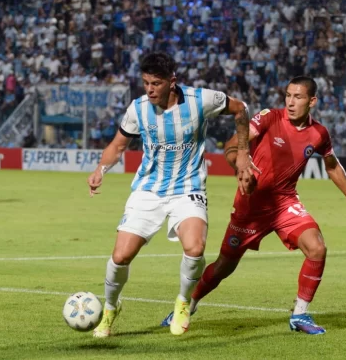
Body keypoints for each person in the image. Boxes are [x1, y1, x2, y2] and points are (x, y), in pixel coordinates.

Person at [159, 76, 346, 335]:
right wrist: (240, 165)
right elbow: (233, 146)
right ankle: (187, 305)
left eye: (298, 97)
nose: (290, 102)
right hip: (251, 206)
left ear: (312, 101)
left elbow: (332, 166)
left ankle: (299, 314)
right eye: (288, 95)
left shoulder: (319, 134)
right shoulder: (269, 117)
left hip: (284, 204)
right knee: (225, 265)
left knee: (317, 248)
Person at [86, 52, 256, 338]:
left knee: (195, 249)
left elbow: (241, 109)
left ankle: (183, 303)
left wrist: (243, 152)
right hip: (148, 190)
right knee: (120, 257)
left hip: (188, 188)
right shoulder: (138, 109)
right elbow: (118, 145)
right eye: (145, 83)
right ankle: (110, 309)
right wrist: (100, 169)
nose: (150, 90)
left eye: (156, 83)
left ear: (172, 81)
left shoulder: (201, 100)